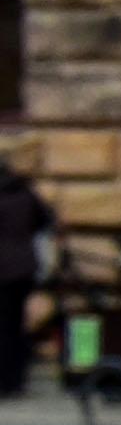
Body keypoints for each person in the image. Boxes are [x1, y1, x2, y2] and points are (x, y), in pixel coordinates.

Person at [0, 163, 53, 398]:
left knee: (3, 326)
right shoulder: (26, 193)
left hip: (3, 268)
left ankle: (4, 380)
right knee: (17, 324)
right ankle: (16, 380)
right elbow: (46, 220)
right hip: (24, 267)